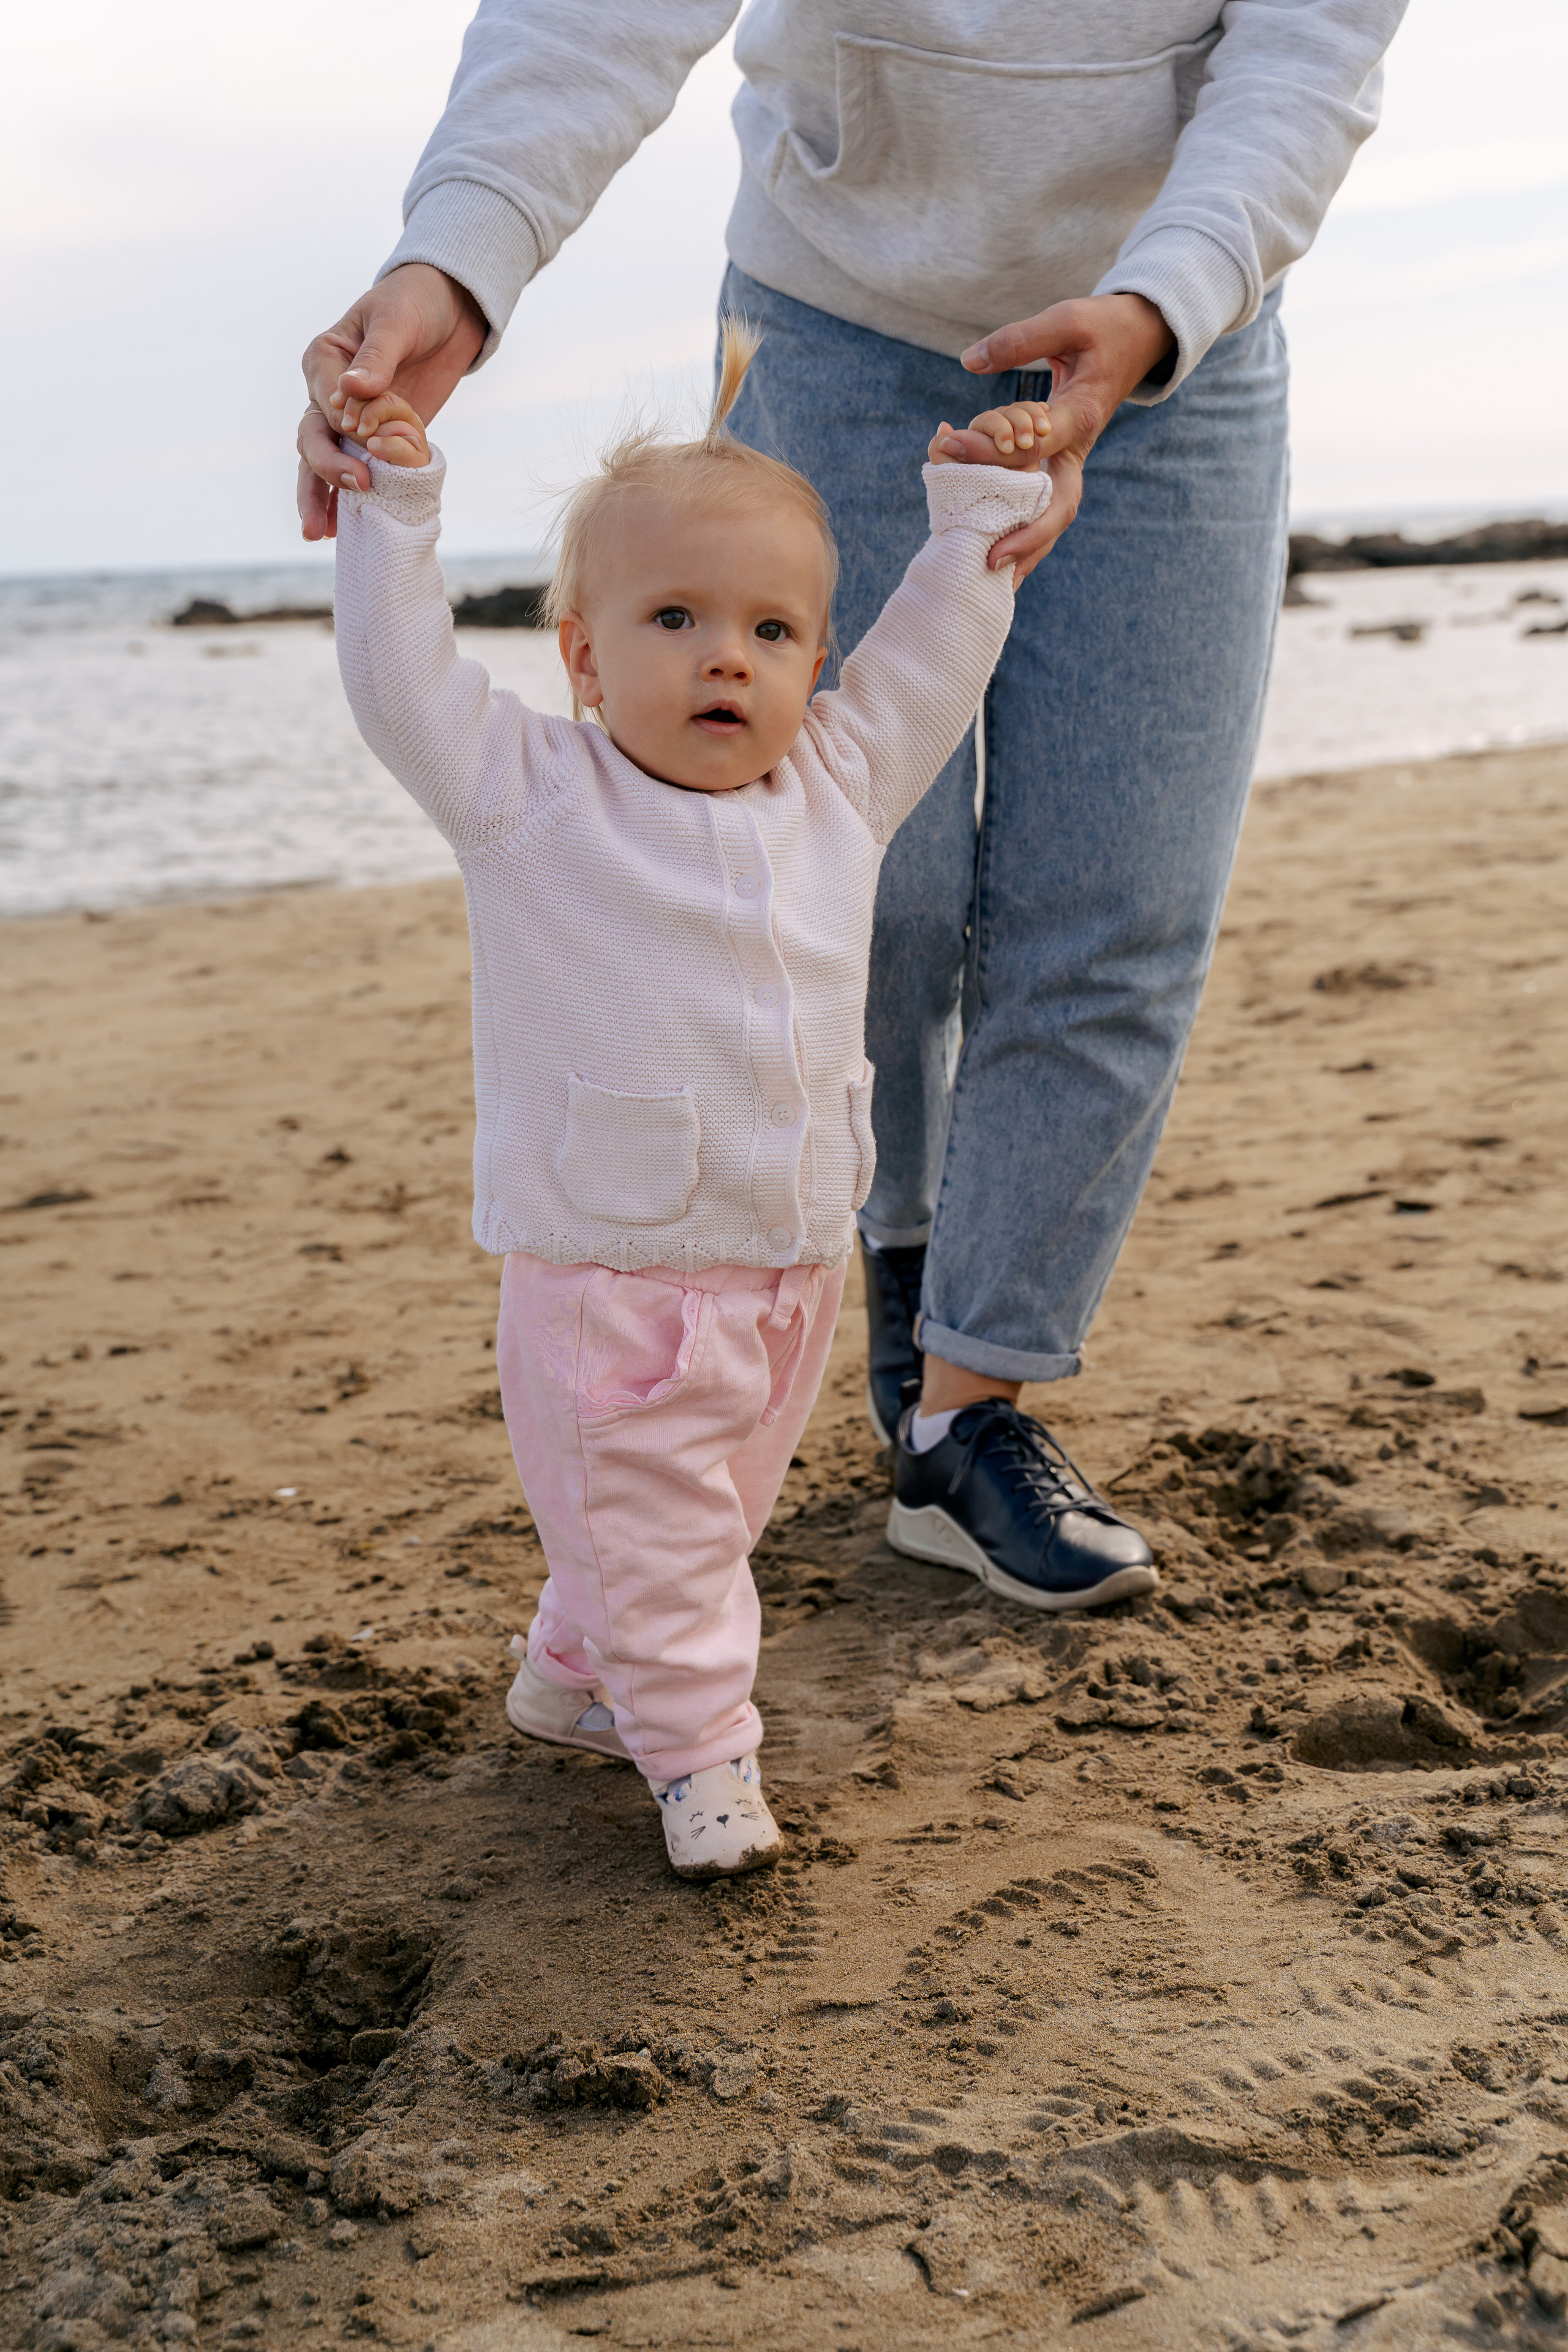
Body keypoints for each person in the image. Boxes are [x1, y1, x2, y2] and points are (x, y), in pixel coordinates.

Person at [300, 1, 1408, 1614]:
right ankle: (892, 1234)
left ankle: (968, 1419)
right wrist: (460, 254)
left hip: (1177, 328)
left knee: (1114, 903)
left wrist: (1164, 306)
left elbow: (1309, 53)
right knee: (856, 881)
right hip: (830, 310)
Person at [327, 323, 1134, 1877]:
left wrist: (970, 528)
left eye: (772, 632)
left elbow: (929, 665)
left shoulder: (834, 784)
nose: (726, 657)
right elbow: (396, 682)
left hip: (784, 1275)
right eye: (677, 617)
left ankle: (572, 1678)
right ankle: (700, 1761)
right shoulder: (529, 797)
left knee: (702, 1523)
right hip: (611, 1279)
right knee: (671, 1540)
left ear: (812, 663)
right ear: (580, 650)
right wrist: (394, 509)